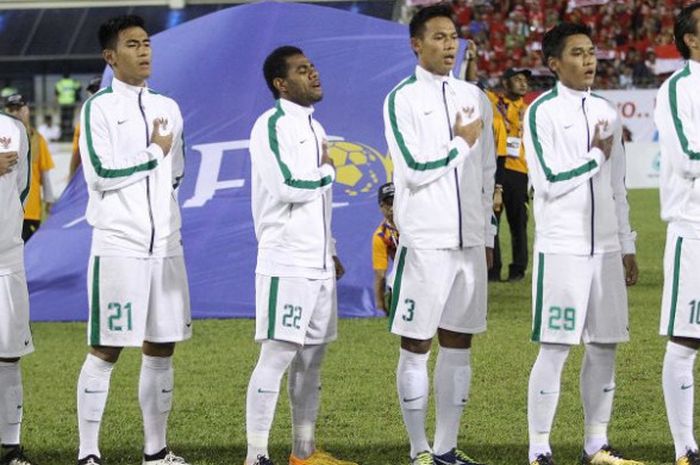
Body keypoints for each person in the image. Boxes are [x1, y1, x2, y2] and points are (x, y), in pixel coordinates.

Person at [382, 4, 496, 464]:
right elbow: (410, 170)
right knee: (416, 343)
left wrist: (486, 234)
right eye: (439, 37)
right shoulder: (401, 99)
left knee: (459, 342)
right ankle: (419, 450)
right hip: (426, 240)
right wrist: (459, 143)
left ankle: (447, 448)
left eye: (453, 37)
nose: (449, 45)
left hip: (469, 241)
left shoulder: (476, 98)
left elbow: (487, 170)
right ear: (416, 43)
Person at [523, 22, 640, 465]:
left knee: (605, 345)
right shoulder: (541, 113)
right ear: (554, 64)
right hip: (563, 248)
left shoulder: (609, 111)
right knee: (555, 346)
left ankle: (596, 444)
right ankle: (539, 448)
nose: (588, 60)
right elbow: (548, 182)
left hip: (606, 249)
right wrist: (594, 155)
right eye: (577, 52)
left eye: (591, 51)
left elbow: (618, 186)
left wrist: (626, 243)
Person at [76, 15, 190, 465]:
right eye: (132, 44)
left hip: (165, 244)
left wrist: (164, 207)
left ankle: (155, 452)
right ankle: (88, 453)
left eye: (146, 43)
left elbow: (177, 170)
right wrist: (152, 154)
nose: (144, 51)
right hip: (118, 243)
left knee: (161, 346)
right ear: (110, 57)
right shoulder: (98, 108)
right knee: (107, 348)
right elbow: (100, 175)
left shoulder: (170, 106)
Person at [245, 45, 355, 465]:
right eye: (302, 70)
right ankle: (256, 455)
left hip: (317, 262)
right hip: (286, 259)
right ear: (281, 83)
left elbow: (318, 202)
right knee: (276, 356)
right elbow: (288, 186)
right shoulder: (269, 125)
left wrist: (330, 250)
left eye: (313, 67)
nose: (313, 74)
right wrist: (328, 170)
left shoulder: (315, 127)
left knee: (312, 360)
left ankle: (303, 453)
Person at [655, 3, 700, 465]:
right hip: (695, 229)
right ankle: (686, 447)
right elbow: (687, 157)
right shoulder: (677, 90)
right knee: (688, 340)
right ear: (690, 38)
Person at [0, 110, 34, 465]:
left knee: (9, 354)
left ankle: (12, 446)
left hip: (6, 258)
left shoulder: (13, 128)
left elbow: (21, 187)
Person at [486, 67, 531, 282]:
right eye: (517, 79)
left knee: (518, 224)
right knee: (491, 222)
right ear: (505, 83)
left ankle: (518, 270)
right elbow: (471, 83)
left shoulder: (529, 110)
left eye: (525, 80)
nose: (523, 83)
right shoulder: (493, 101)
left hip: (519, 172)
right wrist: (472, 58)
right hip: (495, 167)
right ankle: (493, 269)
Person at [4, 94, 57, 241]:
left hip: (30, 212)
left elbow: (44, 174)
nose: (16, 113)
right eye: (12, 109)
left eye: (20, 108)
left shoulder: (38, 139)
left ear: (28, 110)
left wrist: (49, 199)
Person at [372, 182, 399, 314]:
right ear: (381, 206)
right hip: (406, 270)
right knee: (394, 281)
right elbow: (380, 274)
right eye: (388, 203)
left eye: (396, 202)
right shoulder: (381, 235)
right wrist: (380, 304)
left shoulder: (416, 223)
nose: (392, 208)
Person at [69, 75, 102, 180]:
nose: (94, 94)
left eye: (97, 90)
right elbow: (76, 153)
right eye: (93, 91)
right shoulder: (82, 124)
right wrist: (71, 179)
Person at [55, 72, 81, 141]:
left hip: (63, 103)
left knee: (63, 119)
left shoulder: (60, 82)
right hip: (71, 103)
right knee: (70, 119)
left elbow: (56, 92)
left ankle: (63, 134)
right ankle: (70, 134)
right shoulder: (72, 82)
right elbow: (79, 87)